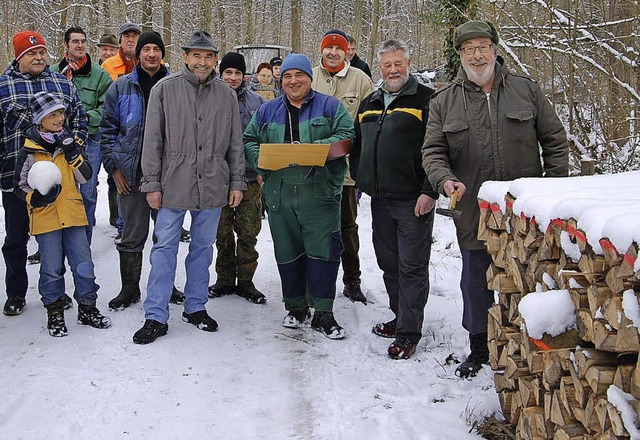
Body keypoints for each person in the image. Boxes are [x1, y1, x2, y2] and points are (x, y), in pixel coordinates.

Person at [422, 20, 569, 377]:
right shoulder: (444, 101)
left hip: (525, 210)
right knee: (476, 280)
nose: (477, 54)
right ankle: (479, 346)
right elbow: (432, 152)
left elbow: (555, 141)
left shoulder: (526, 90)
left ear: (495, 49)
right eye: (469, 48)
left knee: (529, 275)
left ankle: (532, 339)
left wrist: (552, 192)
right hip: (473, 209)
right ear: (460, 55)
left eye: (483, 46)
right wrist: (446, 181)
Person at [133, 31, 246, 344]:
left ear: (215, 59)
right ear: (185, 57)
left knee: (202, 248)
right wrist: (152, 183)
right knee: (164, 248)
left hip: (212, 182)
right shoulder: (164, 90)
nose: (203, 62)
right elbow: (152, 140)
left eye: (209, 56)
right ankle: (155, 314)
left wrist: (236, 180)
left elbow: (235, 143)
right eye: (197, 55)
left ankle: (196, 306)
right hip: (173, 183)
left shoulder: (226, 94)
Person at [244, 54, 354, 339]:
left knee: (323, 252)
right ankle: (295, 307)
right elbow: (249, 139)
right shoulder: (267, 110)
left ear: (309, 77)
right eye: (288, 76)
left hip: (319, 191)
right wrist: (263, 162)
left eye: (299, 76)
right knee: (288, 251)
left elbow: (346, 137)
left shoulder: (330, 106)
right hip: (280, 192)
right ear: (282, 80)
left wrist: (313, 149)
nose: (293, 81)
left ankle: (323, 312)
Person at [351, 39, 437, 360]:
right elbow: (357, 145)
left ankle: (408, 332)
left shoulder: (426, 99)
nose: (392, 70)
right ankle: (399, 316)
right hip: (379, 199)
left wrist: (430, 189)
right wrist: (359, 178)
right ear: (380, 67)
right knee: (389, 263)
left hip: (414, 200)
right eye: (387, 65)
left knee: (411, 266)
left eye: (398, 63)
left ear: (408, 63)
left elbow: (437, 148)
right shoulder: (371, 102)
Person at [0, 30, 88, 316]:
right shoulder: (3, 86)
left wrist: (75, 147)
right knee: (16, 240)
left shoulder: (62, 82)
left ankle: (56, 292)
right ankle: (16, 292)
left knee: (56, 237)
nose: (38, 58)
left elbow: (80, 119)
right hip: (17, 176)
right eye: (30, 54)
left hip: (60, 179)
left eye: (41, 53)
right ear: (18, 56)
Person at [13, 92, 111, 336]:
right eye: (52, 115)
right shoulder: (29, 150)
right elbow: (19, 184)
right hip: (46, 218)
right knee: (51, 267)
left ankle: (88, 307)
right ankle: (54, 310)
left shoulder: (71, 143)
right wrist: (33, 198)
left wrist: (73, 157)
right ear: (39, 120)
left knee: (83, 264)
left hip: (74, 213)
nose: (59, 119)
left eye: (61, 113)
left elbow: (86, 177)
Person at [100, 31, 184, 311]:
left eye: (156, 49)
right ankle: (129, 288)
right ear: (137, 54)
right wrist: (114, 169)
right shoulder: (121, 87)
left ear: (163, 53)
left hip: (169, 175)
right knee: (132, 234)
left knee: (167, 234)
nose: (151, 54)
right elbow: (107, 130)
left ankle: (166, 285)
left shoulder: (176, 87)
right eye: (145, 49)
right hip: (131, 175)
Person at [312, 29, 374, 305]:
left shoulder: (361, 80)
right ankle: (312, 278)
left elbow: (370, 124)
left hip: (346, 171)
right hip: (311, 168)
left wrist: (363, 165)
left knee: (347, 226)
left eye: (339, 48)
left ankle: (352, 280)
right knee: (313, 225)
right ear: (322, 50)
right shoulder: (309, 76)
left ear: (347, 51)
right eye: (329, 48)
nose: (334, 52)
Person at [208, 52, 267, 304]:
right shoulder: (209, 97)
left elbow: (266, 136)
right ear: (220, 72)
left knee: (248, 232)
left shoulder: (257, 102)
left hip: (251, 177)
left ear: (245, 76)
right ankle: (224, 279)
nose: (233, 78)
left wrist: (263, 167)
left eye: (237, 73)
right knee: (221, 233)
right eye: (228, 73)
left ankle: (245, 280)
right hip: (218, 177)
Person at [52, 26, 112, 244]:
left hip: (89, 139)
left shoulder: (99, 75)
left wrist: (84, 118)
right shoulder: (54, 73)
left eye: (83, 41)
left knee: (87, 190)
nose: (80, 45)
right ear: (66, 45)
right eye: (75, 42)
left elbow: (107, 107)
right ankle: (54, 240)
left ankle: (83, 242)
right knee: (57, 188)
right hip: (56, 141)